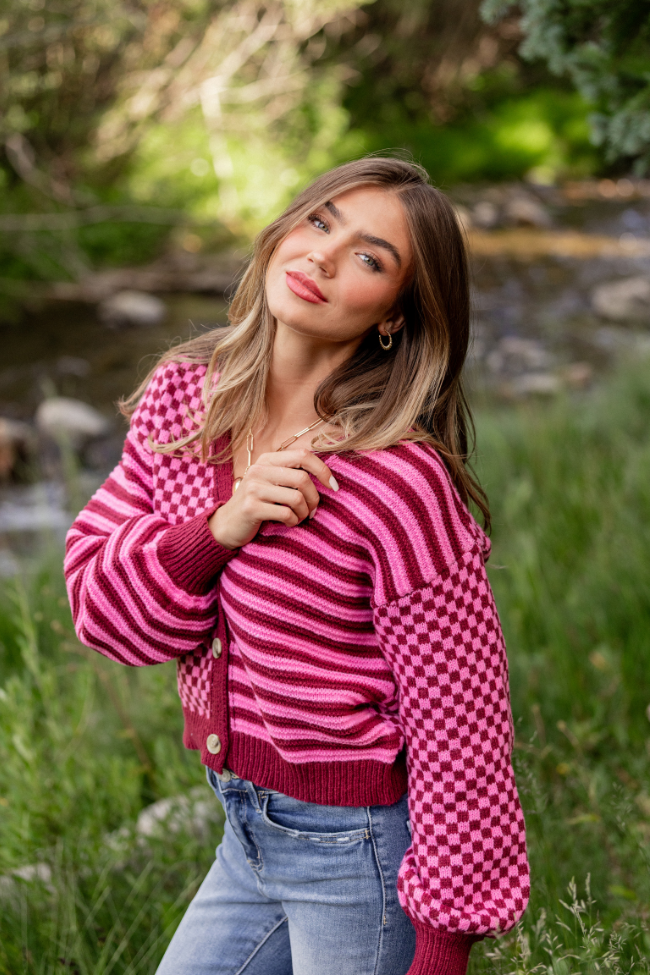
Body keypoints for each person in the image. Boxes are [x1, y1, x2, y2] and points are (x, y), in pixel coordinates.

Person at [64, 156, 529, 975]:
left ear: (394, 315)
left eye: (369, 257)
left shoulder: (398, 480)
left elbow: (462, 725)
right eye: (320, 222)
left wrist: (444, 941)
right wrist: (221, 528)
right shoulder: (185, 402)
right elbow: (102, 610)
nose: (322, 255)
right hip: (243, 830)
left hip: (360, 856)